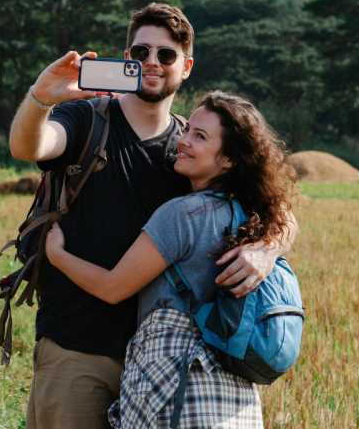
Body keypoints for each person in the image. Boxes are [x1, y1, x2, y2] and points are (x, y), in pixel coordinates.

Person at [9, 3, 298, 429]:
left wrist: (266, 250)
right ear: (127, 60)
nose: (151, 63)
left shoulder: (192, 153)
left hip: (162, 365)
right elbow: (29, 147)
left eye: (165, 55)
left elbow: (276, 211)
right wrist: (40, 99)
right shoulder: (88, 120)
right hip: (77, 348)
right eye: (140, 53)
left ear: (186, 67)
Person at [45, 91, 297, 428]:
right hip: (232, 403)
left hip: (179, 393)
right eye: (187, 129)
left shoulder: (181, 215)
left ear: (228, 160)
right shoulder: (254, 216)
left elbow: (112, 287)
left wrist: (57, 255)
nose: (183, 140)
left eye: (200, 136)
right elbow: (288, 221)